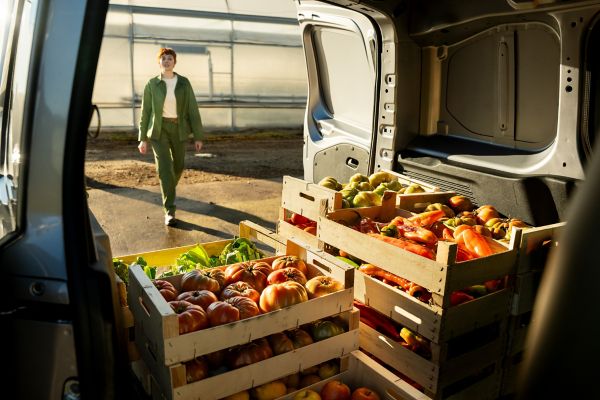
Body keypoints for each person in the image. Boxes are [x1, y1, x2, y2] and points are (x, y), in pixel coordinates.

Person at [138, 48, 204, 226]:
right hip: (159, 130)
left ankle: (167, 188)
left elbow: (192, 109)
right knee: (165, 168)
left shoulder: (183, 83)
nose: (166, 61)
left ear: (175, 62)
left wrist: (198, 136)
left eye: (170, 58)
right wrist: (142, 138)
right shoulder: (152, 84)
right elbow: (145, 112)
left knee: (179, 165)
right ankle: (169, 211)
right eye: (163, 58)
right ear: (158, 62)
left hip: (179, 128)